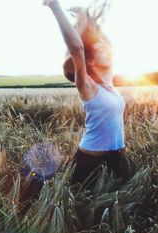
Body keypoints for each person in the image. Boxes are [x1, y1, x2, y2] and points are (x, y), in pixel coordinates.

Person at [43, 0, 134, 189]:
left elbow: (105, 42)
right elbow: (77, 48)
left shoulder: (109, 83)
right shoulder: (87, 85)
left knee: (118, 205)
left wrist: (88, 20)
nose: (107, 50)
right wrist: (55, 6)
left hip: (116, 155)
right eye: (101, 49)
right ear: (90, 62)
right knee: (81, 206)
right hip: (90, 159)